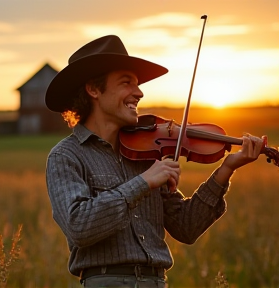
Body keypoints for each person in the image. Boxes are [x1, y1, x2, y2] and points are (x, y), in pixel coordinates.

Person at [45, 35, 264, 288]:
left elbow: (187, 227)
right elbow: (79, 227)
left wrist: (226, 168)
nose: (139, 93)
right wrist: (142, 182)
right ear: (93, 89)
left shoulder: (146, 156)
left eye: (137, 85)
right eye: (126, 83)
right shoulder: (67, 156)